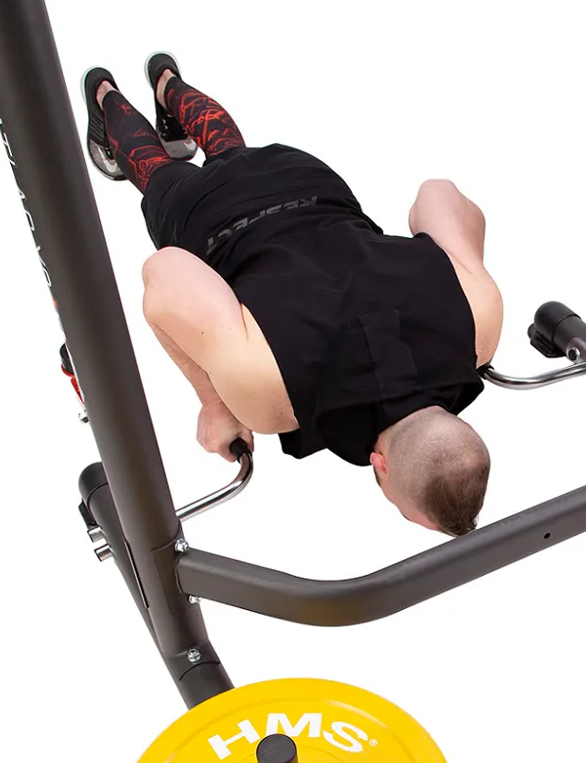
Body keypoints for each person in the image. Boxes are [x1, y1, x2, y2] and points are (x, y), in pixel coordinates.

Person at [80, 54, 502, 536]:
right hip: (215, 216)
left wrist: (455, 274)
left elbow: (438, 194)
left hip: (303, 177)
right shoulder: (272, 397)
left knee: (231, 150)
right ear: (381, 465)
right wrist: (217, 404)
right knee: (158, 173)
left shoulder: (478, 323)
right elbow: (164, 273)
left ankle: (166, 81)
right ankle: (105, 94)